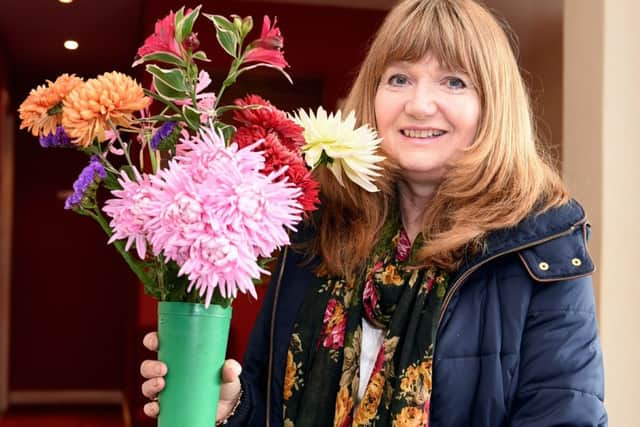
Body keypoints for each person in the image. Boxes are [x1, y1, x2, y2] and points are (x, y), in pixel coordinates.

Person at [140, 0, 607, 425]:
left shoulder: (541, 245)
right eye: (399, 78)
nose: (419, 105)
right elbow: (266, 403)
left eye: (454, 81)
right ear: (373, 94)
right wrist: (230, 408)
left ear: (493, 106)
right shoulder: (314, 227)